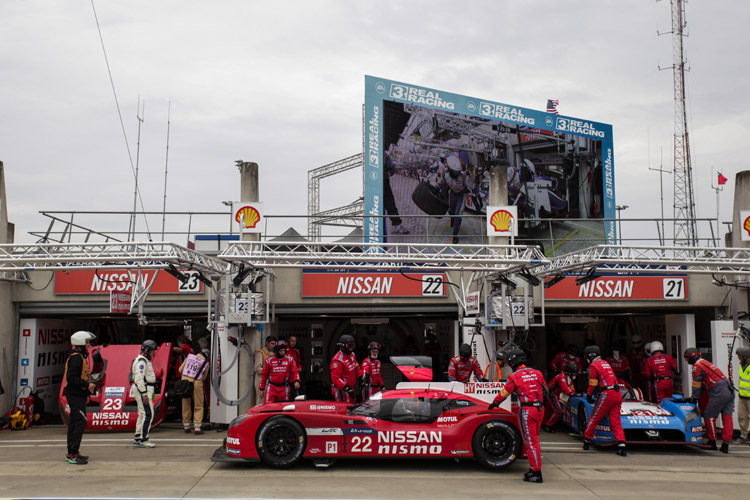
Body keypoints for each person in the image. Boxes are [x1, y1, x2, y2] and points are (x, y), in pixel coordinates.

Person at [488, 348, 547, 484]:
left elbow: (505, 393)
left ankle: (536, 472)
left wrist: (494, 403)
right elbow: (546, 390)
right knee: (535, 440)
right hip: (540, 409)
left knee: (531, 443)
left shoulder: (514, 377)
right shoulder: (537, 373)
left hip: (528, 410)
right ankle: (535, 468)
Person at [684, 348, 734, 453]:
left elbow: (696, 385)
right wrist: (695, 396)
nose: (686, 360)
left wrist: (694, 398)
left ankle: (712, 442)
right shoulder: (706, 363)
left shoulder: (697, 366)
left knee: (708, 415)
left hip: (718, 391)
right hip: (729, 390)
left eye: (686, 358)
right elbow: (704, 384)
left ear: (691, 356)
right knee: (727, 417)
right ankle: (725, 444)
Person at [581, 345, 627, 457]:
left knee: (595, 416)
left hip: (607, 393)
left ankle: (587, 440)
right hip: (617, 393)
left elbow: (592, 381)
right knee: (615, 421)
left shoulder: (593, 365)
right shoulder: (606, 363)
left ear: (590, 356)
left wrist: (588, 394)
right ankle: (621, 445)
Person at [63, 330, 97, 465]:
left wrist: (86, 393)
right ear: (80, 343)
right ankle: (72, 454)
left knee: (75, 422)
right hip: (74, 395)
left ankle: (73, 452)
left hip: (79, 395)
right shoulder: (76, 358)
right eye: (87, 342)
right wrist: (87, 385)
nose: (89, 345)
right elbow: (71, 379)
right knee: (79, 422)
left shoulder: (80, 356)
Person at [438, 152, 475, 244]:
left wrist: (476, 193)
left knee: (458, 214)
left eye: (457, 172)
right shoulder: (445, 173)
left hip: (461, 196)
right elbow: (442, 183)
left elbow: (473, 186)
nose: (456, 173)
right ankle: (452, 220)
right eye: (454, 172)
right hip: (452, 194)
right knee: (451, 211)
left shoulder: (463, 176)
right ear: (450, 169)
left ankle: (455, 235)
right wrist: (436, 188)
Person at [132, 340, 158, 448]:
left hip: (145, 389)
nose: (154, 353)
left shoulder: (144, 360)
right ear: (147, 350)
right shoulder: (142, 361)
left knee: (142, 414)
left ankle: (138, 437)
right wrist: (144, 394)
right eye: (152, 351)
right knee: (148, 414)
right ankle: (143, 439)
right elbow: (139, 378)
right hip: (144, 389)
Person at [178, 346, 210, 435]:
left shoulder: (189, 357)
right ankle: (197, 427)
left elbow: (180, 369)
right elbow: (204, 377)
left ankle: (186, 426)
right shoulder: (205, 363)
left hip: (185, 383)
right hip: (196, 383)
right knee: (198, 405)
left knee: (185, 404)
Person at [543, 362, 578, 432]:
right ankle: (548, 425)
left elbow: (572, 388)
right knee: (558, 411)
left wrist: (574, 394)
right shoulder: (562, 378)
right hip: (551, 394)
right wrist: (570, 394)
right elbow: (565, 388)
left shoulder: (568, 378)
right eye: (574, 373)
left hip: (556, 394)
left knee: (549, 410)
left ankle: (545, 423)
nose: (575, 375)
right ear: (570, 372)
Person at [330, 334, 362, 403]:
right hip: (341, 389)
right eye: (349, 346)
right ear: (343, 346)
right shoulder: (337, 361)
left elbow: (356, 365)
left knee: (352, 407)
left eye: (353, 345)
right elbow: (335, 378)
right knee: (345, 409)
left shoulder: (352, 354)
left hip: (351, 387)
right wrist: (347, 388)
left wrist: (360, 377)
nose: (351, 348)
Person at [383, 154, 409, 236]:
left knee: (390, 204)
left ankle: (397, 225)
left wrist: (386, 174)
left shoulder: (384, 156)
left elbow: (392, 169)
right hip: (372, 185)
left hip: (384, 183)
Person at [254, 336, 276, 406]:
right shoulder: (260, 353)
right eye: (272, 344)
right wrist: (269, 370)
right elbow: (257, 369)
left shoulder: (273, 355)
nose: (273, 346)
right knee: (260, 402)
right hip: (260, 380)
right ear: (267, 343)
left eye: (274, 344)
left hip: (269, 381)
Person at [735, 346, 750, 443]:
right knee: (742, 416)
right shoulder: (742, 365)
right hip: (742, 396)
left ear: (745, 356)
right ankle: (743, 436)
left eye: (739, 356)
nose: (738, 358)